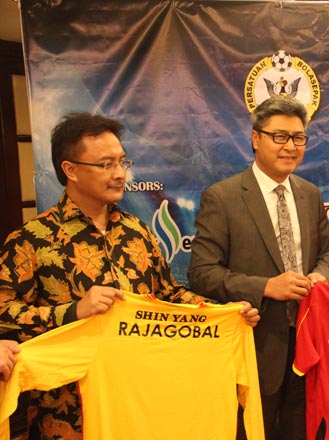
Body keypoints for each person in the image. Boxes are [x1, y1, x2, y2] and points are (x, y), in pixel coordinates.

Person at [0, 112, 259, 440]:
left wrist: (222, 312)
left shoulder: (137, 231)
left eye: (123, 162)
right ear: (71, 170)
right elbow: (4, 316)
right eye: (106, 165)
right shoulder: (32, 240)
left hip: (141, 406)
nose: (120, 174)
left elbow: (168, 295)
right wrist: (72, 312)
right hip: (68, 415)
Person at [188, 96, 329, 439]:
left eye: (298, 138)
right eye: (279, 136)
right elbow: (201, 273)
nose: (290, 147)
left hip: (310, 347)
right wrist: (265, 287)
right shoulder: (222, 197)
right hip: (253, 348)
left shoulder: (310, 194)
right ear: (256, 139)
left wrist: (321, 275)